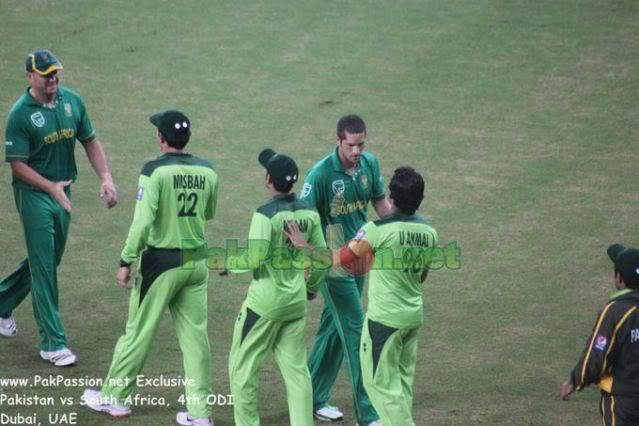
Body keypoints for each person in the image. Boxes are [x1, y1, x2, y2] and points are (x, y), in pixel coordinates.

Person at [81, 110, 219, 426]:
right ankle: (200, 414)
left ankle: (115, 398)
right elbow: (208, 212)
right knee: (196, 342)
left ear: (161, 138)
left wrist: (126, 260)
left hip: (162, 264)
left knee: (138, 333)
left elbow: (142, 222)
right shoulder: (208, 171)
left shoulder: (153, 171)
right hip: (197, 262)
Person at [0, 49, 118, 366]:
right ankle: (52, 343)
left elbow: (90, 140)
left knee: (49, 260)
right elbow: (17, 165)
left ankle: (2, 301)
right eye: (45, 73)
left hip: (63, 190)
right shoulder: (20, 115)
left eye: (55, 72)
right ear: (30, 77)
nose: (53, 77)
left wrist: (105, 177)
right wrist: (49, 187)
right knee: (44, 268)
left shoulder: (72, 102)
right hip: (34, 194)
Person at [226, 148, 328, 426]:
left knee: (242, 369)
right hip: (295, 304)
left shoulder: (265, 215)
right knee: (297, 374)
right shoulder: (310, 212)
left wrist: (229, 265)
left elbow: (255, 257)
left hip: (264, 306)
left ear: (268, 179)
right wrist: (311, 289)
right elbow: (323, 258)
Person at [302, 114, 391, 425]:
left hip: (362, 258)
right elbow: (304, 219)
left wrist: (396, 227)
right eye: (351, 145)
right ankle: (368, 415)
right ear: (338, 141)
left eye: (361, 144)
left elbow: (380, 203)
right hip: (335, 263)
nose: (357, 151)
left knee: (333, 332)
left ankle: (310, 397)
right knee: (356, 334)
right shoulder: (321, 174)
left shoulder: (370, 165)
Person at [333, 166, 438, 426]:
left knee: (378, 383)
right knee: (401, 385)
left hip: (384, 322)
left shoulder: (377, 229)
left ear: (390, 198)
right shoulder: (429, 232)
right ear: (420, 199)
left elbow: (343, 260)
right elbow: (422, 275)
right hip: (412, 317)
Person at [560, 244, 639, 425]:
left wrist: (575, 380)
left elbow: (597, 355)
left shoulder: (615, 311)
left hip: (622, 400)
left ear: (619, 279)